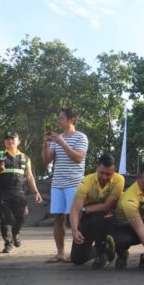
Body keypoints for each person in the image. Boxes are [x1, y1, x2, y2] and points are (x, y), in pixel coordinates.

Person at [42, 108, 89, 263]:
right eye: (59, 118)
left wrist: (61, 143)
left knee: (76, 218)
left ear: (71, 120)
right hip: (57, 184)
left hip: (74, 184)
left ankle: (77, 253)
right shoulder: (57, 138)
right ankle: (60, 253)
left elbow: (78, 157)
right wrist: (46, 144)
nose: (58, 121)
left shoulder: (81, 137)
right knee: (58, 218)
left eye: (61, 118)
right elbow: (47, 160)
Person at [69, 154, 124, 268]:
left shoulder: (119, 180)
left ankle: (102, 250)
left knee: (98, 216)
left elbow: (107, 206)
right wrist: (75, 231)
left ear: (115, 170)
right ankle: (98, 250)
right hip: (87, 219)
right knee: (77, 259)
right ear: (97, 167)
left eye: (108, 174)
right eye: (101, 172)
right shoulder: (85, 182)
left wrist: (84, 209)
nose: (104, 177)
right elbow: (74, 210)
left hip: (107, 217)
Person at [0, 131, 42, 253]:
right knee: (5, 218)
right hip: (2, 192)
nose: (10, 141)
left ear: (18, 141)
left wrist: (36, 192)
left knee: (22, 215)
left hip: (19, 192)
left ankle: (15, 234)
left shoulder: (25, 158)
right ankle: (8, 243)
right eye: (7, 139)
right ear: (4, 142)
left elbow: (30, 177)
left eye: (12, 139)